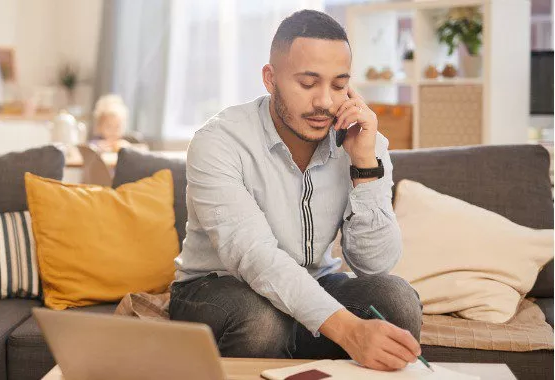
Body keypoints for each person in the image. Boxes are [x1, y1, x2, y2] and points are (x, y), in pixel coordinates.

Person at [170, 10, 423, 372]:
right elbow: (254, 257)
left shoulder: (364, 142)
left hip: (313, 284)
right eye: (308, 83)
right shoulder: (219, 141)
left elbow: (376, 265)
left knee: (396, 301)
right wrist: (350, 331)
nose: (325, 101)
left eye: (339, 85)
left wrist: (364, 166)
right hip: (218, 290)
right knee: (261, 321)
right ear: (270, 79)